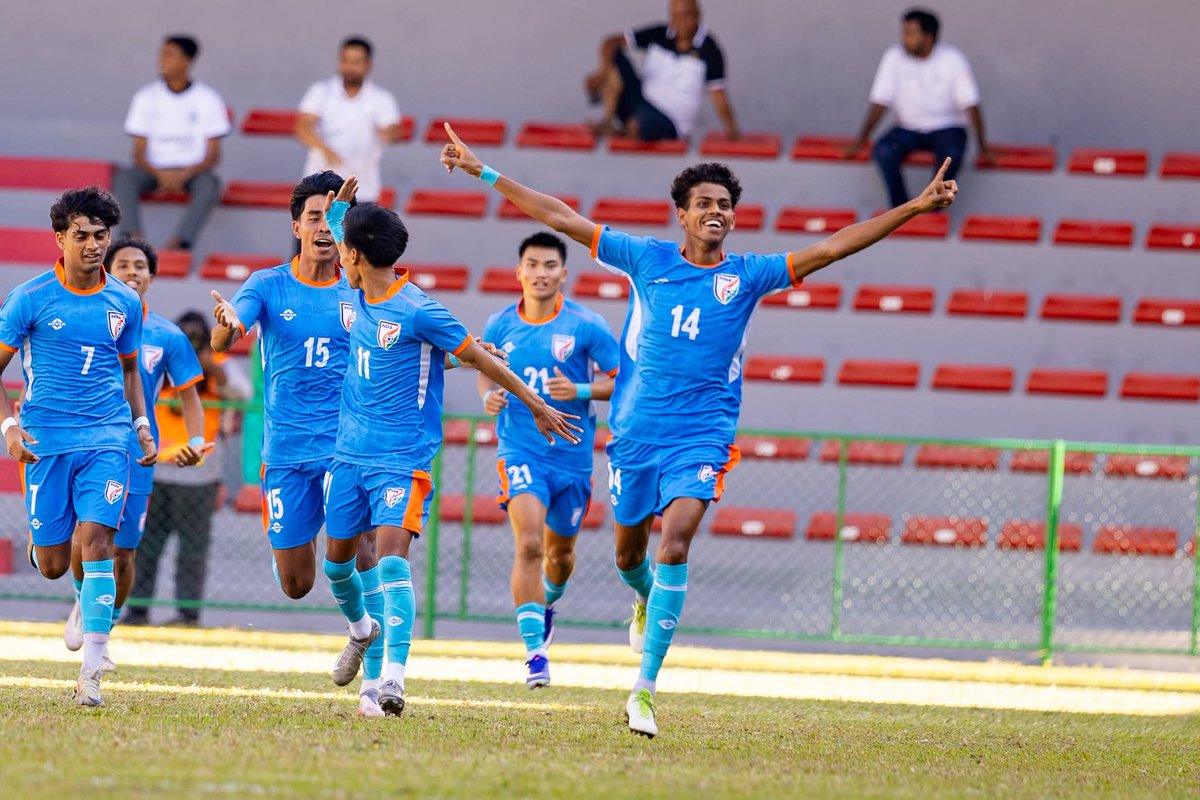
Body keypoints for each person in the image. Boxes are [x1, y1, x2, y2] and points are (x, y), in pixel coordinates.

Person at [439, 123, 957, 737]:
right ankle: (642, 596)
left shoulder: (751, 273)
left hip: (702, 435)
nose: (717, 212)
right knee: (630, 556)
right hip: (635, 436)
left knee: (677, 541)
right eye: (705, 204)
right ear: (681, 215)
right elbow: (560, 215)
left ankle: (645, 691)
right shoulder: (646, 258)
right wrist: (483, 173)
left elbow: (832, 248)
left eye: (725, 205)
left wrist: (915, 207)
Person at [318, 178, 582, 717]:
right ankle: (361, 630)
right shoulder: (357, 291)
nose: (336, 256)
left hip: (402, 458)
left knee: (392, 560)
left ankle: (393, 678)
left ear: (356, 256)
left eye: (342, 249)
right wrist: (343, 206)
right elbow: (342, 230)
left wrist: (533, 402)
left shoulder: (420, 310)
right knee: (337, 564)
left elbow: (485, 360)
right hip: (348, 454)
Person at [0, 187, 156, 707]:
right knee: (51, 562)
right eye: (82, 235)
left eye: (101, 235)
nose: (93, 245)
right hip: (47, 440)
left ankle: (92, 667)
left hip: (107, 438)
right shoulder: (29, 298)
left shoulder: (124, 300)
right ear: (60, 237)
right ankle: (48, 543)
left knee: (99, 546)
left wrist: (138, 423)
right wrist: (10, 427)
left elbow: (131, 369)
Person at [479, 232, 619, 688]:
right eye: (532, 265)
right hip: (520, 451)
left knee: (559, 555)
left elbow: (626, 383)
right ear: (519, 271)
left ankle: (547, 605)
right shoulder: (500, 325)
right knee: (529, 546)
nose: (540, 273)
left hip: (573, 459)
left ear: (564, 273)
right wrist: (490, 398)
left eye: (549, 266)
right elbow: (485, 370)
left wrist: (580, 390)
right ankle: (535, 655)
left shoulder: (587, 325)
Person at [61, 237, 209, 653]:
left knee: (123, 554)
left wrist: (196, 442)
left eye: (140, 265)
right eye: (122, 264)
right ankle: (82, 599)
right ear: (107, 271)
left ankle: (102, 630)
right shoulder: (86, 319)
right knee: (83, 533)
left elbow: (189, 398)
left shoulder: (168, 335)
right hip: (85, 444)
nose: (132, 271)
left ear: (152, 276)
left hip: (137, 454)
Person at [124, 311, 228, 627]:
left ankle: (187, 613)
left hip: (199, 475)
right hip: (156, 468)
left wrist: (209, 364)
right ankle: (137, 609)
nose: (189, 343)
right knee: (145, 546)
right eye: (186, 336)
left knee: (193, 549)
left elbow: (241, 392)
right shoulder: (156, 363)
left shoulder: (214, 369)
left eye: (195, 337)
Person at [843, 8, 993, 207]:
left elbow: (971, 104)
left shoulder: (952, 59)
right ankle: (901, 209)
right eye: (903, 32)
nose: (904, 38)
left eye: (911, 33)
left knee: (953, 154)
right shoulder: (893, 57)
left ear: (929, 36)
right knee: (883, 150)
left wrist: (983, 148)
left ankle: (934, 208)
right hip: (907, 129)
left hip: (947, 129)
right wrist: (860, 140)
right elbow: (880, 102)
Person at [113, 34, 231, 251]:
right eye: (161, 54)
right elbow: (138, 153)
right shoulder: (146, 97)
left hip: (192, 173)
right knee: (124, 178)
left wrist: (184, 174)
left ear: (187, 61)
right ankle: (133, 239)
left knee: (210, 184)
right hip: (152, 170)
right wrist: (160, 174)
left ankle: (180, 243)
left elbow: (214, 155)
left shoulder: (208, 99)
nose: (162, 60)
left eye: (169, 55)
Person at [584, 0, 739, 142]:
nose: (679, 23)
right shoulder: (659, 34)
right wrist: (602, 72)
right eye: (675, 16)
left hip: (671, 123)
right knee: (615, 58)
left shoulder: (710, 50)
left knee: (639, 125)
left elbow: (719, 98)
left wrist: (733, 134)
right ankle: (607, 122)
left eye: (685, 16)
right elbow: (611, 42)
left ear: (697, 16)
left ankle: (621, 131)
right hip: (641, 103)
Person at [295, 37, 405, 204]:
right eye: (345, 60)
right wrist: (325, 149)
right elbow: (303, 128)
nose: (349, 67)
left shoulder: (381, 99)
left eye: (356, 62)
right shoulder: (321, 91)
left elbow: (393, 130)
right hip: (319, 190)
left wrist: (389, 133)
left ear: (368, 65)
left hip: (362, 191)